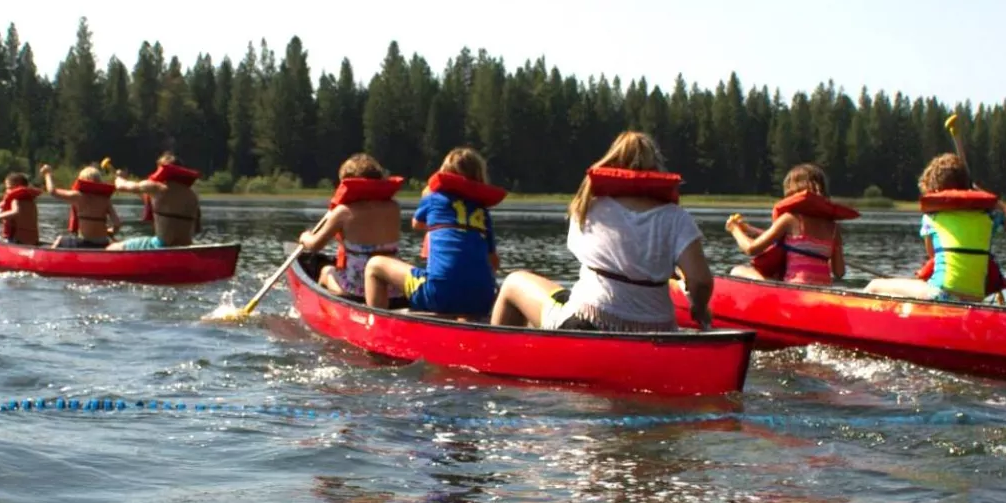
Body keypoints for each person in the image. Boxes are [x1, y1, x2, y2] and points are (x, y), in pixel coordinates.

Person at [490, 131, 713, 332]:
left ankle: (496, 360)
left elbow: (582, 250)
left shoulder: (589, 206)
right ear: (656, 168)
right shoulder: (675, 216)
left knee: (513, 281)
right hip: (657, 332)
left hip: (588, 324)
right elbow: (700, 281)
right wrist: (699, 307)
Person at [361, 147, 504, 318]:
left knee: (374, 265)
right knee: (467, 283)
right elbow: (493, 263)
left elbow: (417, 223)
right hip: (482, 300)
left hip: (438, 295)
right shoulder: (482, 211)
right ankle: (464, 323)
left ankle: (376, 326)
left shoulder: (434, 198)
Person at [864, 154, 1006, 302]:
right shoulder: (988, 216)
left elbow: (933, 255)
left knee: (874, 286)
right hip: (976, 297)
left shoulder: (932, 217)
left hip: (941, 294)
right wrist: (988, 199)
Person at [726, 163, 855, 285]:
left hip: (796, 289)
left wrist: (735, 229)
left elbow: (751, 249)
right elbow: (839, 272)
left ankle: (766, 286)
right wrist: (749, 229)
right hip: (823, 291)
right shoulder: (833, 229)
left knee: (737, 271)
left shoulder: (790, 219)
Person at [299, 154, 404, 298]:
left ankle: (327, 308)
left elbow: (315, 245)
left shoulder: (343, 212)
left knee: (326, 271)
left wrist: (305, 237)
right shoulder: (394, 208)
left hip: (358, 288)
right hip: (392, 287)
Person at [108, 153, 203, 250]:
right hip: (186, 246)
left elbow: (122, 186)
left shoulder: (157, 188)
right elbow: (197, 229)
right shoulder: (192, 195)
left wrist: (119, 177)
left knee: (112, 248)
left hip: (161, 245)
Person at [41, 163, 118, 248]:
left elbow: (52, 191)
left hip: (85, 243)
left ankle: (51, 259)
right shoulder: (105, 200)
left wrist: (47, 174)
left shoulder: (78, 196)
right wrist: (111, 232)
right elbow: (117, 223)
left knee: (60, 239)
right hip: (103, 243)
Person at [0, 172, 43, 246]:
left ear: (17, 187)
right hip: (33, 242)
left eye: (9, 188)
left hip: (17, 242)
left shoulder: (15, 199)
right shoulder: (31, 201)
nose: (7, 191)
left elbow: (15, 212)